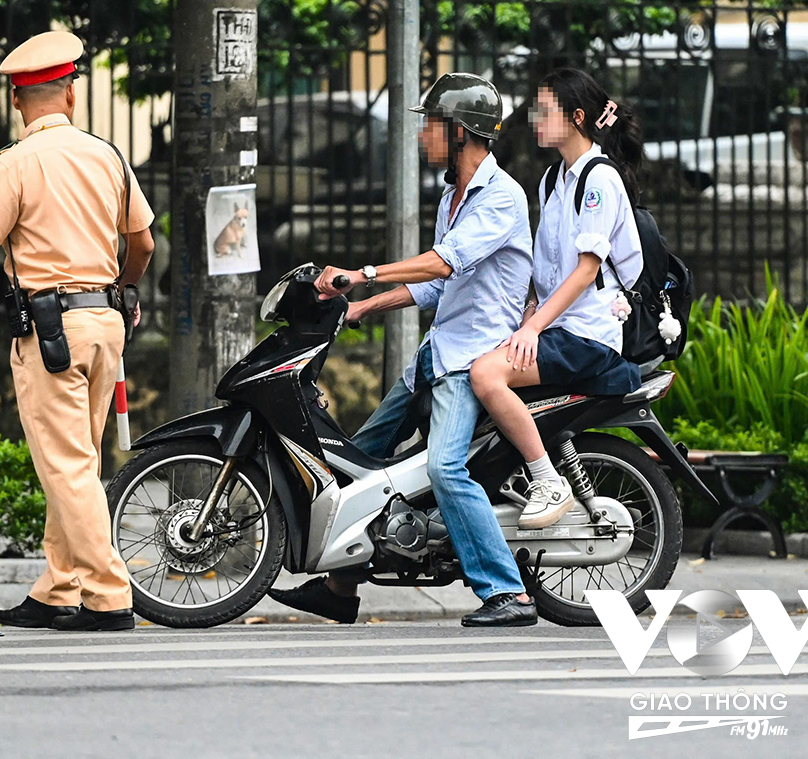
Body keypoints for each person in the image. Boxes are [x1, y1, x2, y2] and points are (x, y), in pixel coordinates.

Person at [268, 73, 538, 628]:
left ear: (462, 132)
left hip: (472, 361)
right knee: (356, 459)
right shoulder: (452, 196)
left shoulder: (502, 197)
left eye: (431, 125)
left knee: (444, 467)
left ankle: (508, 593)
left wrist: (361, 275)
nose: (422, 136)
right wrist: (362, 308)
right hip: (437, 352)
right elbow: (436, 287)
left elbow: (443, 263)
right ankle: (341, 589)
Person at [0, 31, 156, 632]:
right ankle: (57, 587)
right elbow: (144, 242)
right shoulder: (109, 157)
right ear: (70, 94)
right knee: (74, 462)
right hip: (105, 324)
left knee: (66, 465)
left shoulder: (13, 164)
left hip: (51, 332)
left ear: (19, 102)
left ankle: (108, 595)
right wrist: (125, 289)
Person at [469, 68, 644, 530]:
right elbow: (546, 267)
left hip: (587, 334)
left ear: (577, 118)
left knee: (486, 374)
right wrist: (527, 311)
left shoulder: (599, 180)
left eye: (545, 112)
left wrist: (531, 328)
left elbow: (586, 271)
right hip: (556, 326)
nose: (535, 120)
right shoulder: (553, 180)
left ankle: (548, 479)